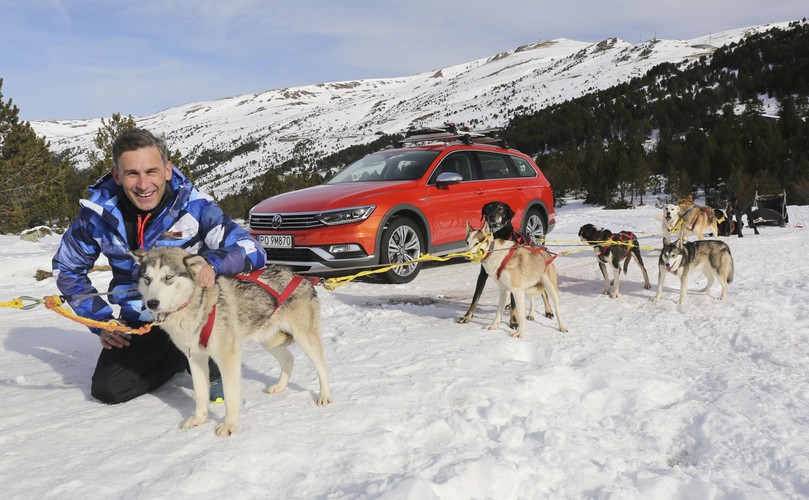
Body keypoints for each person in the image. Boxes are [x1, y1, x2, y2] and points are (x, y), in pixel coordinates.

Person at [52, 128, 266, 404]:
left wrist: (211, 264)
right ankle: (177, 358)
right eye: (132, 174)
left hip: (194, 316)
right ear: (117, 175)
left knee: (217, 371)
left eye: (151, 171)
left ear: (167, 170)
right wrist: (102, 321)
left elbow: (251, 249)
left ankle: (199, 361)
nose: (143, 184)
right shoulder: (97, 214)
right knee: (109, 389)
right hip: (141, 319)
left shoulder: (195, 207)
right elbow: (67, 269)